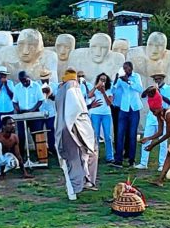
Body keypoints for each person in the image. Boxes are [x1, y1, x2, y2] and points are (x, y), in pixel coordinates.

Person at [55, 69, 98, 200]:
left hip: (65, 128)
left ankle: (80, 184)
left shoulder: (61, 90)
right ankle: (77, 186)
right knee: (81, 155)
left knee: (78, 157)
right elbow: (75, 111)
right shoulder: (71, 88)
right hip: (73, 129)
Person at [135, 73, 170, 170]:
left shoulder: (169, 89)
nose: (157, 81)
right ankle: (143, 162)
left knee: (163, 141)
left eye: (159, 79)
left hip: (164, 116)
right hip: (152, 116)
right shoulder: (152, 89)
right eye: (156, 79)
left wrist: (159, 94)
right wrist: (150, 90)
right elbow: (143, 95)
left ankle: (162, 164)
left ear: (163, 79)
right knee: (146, 138)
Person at [111, 61, 143, 167]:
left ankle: (131, 160)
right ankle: (118, 160)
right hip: (123, 108)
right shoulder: (121, 78)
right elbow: (113, 91)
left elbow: (139, 89)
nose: (125, 70)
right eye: (123, 68)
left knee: (132, 135)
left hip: (134, 109)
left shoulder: (136, 76)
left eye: (127, 68)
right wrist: (116, 80)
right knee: (120, 134)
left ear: (131, 68)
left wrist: (128, 81)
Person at [0, 116, 32, 180]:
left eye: (14, 123)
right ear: (3, 126)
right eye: (10, 124)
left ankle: (2, 172)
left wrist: (24, 172)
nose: (13, 126)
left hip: (3, 157)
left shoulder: (14, 137)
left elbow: (18, 155)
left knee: (15, 163)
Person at [12, 69, 44, 151]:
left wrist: (32, 110)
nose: (24, 83)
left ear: (28, 77)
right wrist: (18, 110)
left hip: (34, 114)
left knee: (36, 135)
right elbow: (14, 102)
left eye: (25, 80)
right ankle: (21, 157)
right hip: (21, 115)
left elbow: (41, 100)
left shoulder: (36, 86)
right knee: (21, 136)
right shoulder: (17, 87)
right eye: (22, 81)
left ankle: (40, 156)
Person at [87, 73, 115, 164]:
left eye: (104, 80)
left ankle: (110, 156)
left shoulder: (109, 90)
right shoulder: (95, 89)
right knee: (96, 135)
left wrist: (103, 93)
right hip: (95, 114)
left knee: (108, 136)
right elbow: (89, 95)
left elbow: (109, 103)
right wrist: (96, 87)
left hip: (106, 114)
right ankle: (95, 155)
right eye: (101, 79)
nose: (102, 81)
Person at [38, 69, 57, 155]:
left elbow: (55, 98)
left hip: (50, 112)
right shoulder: (37, 85)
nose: (44, 80)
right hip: (40, 112)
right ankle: (40, 149)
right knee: (39, 131)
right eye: (43, 79)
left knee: (51, 130)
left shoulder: (54, 85)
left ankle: (51, 148)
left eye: (46, 78)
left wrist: (49, 93)